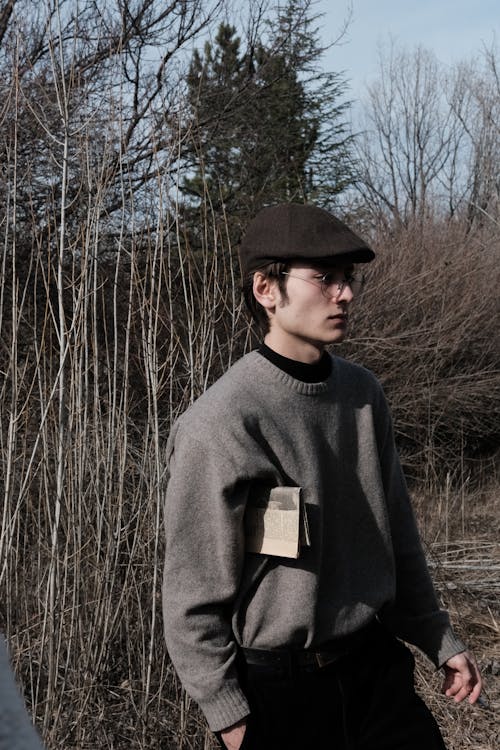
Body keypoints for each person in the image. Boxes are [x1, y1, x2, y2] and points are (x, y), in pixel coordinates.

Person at [162, 203, 482, 750]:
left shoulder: (362, 394)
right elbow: (190, 592)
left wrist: (437, 636)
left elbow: (396, 533)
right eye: (325, 279)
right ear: (267, 289)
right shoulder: (222, 421)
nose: (345, 294)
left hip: (376, 670)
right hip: (280, 691)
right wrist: (230, 715)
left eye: (348, 279)